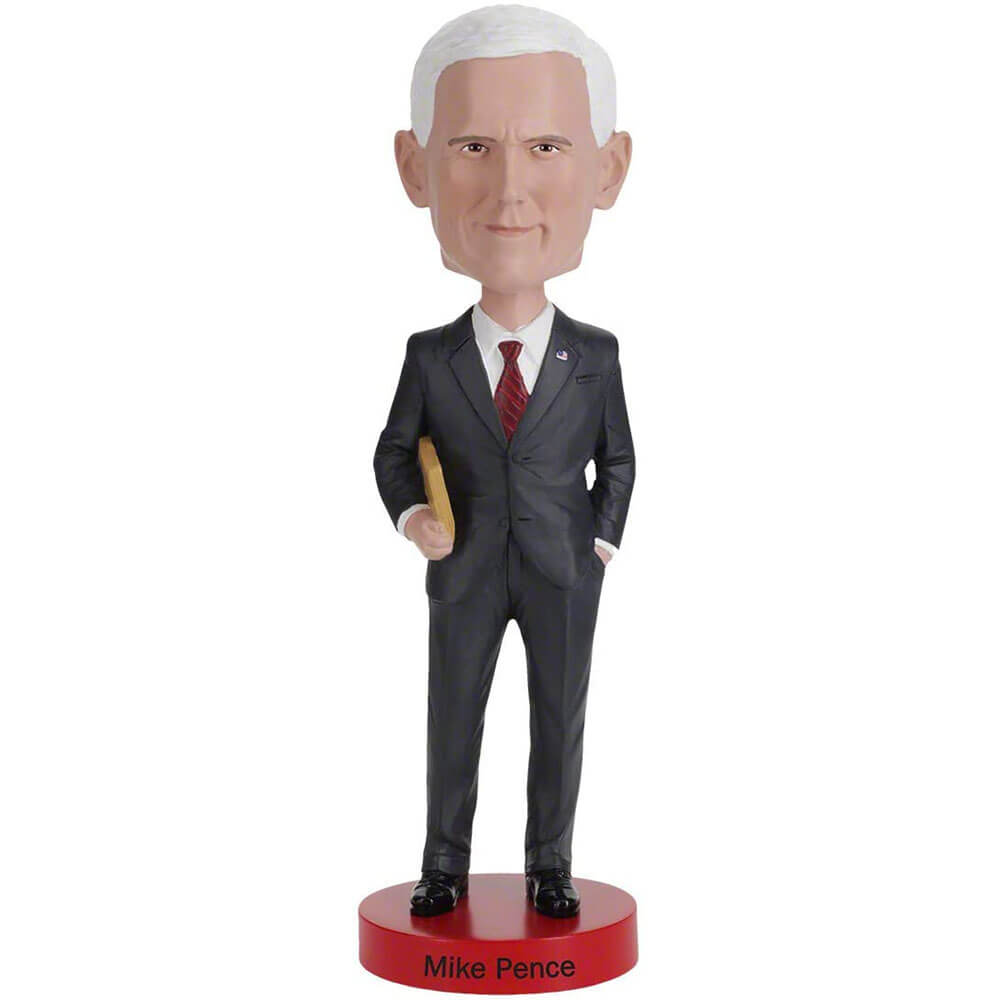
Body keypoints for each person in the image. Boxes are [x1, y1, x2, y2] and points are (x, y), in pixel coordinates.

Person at [373, 5, 635, 919]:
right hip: (466, 569)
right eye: (475, 147)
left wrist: (601, 542)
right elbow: (393, 449)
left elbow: (619, 458)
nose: (511, 191)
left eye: (548, 147)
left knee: (559, 723)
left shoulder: (594, 355)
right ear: (417, 168)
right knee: (454, 717)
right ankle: (443, 865)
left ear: (608, 169)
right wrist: (415, 516)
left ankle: (549, 867)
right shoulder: (430, 355)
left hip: (564, 567)